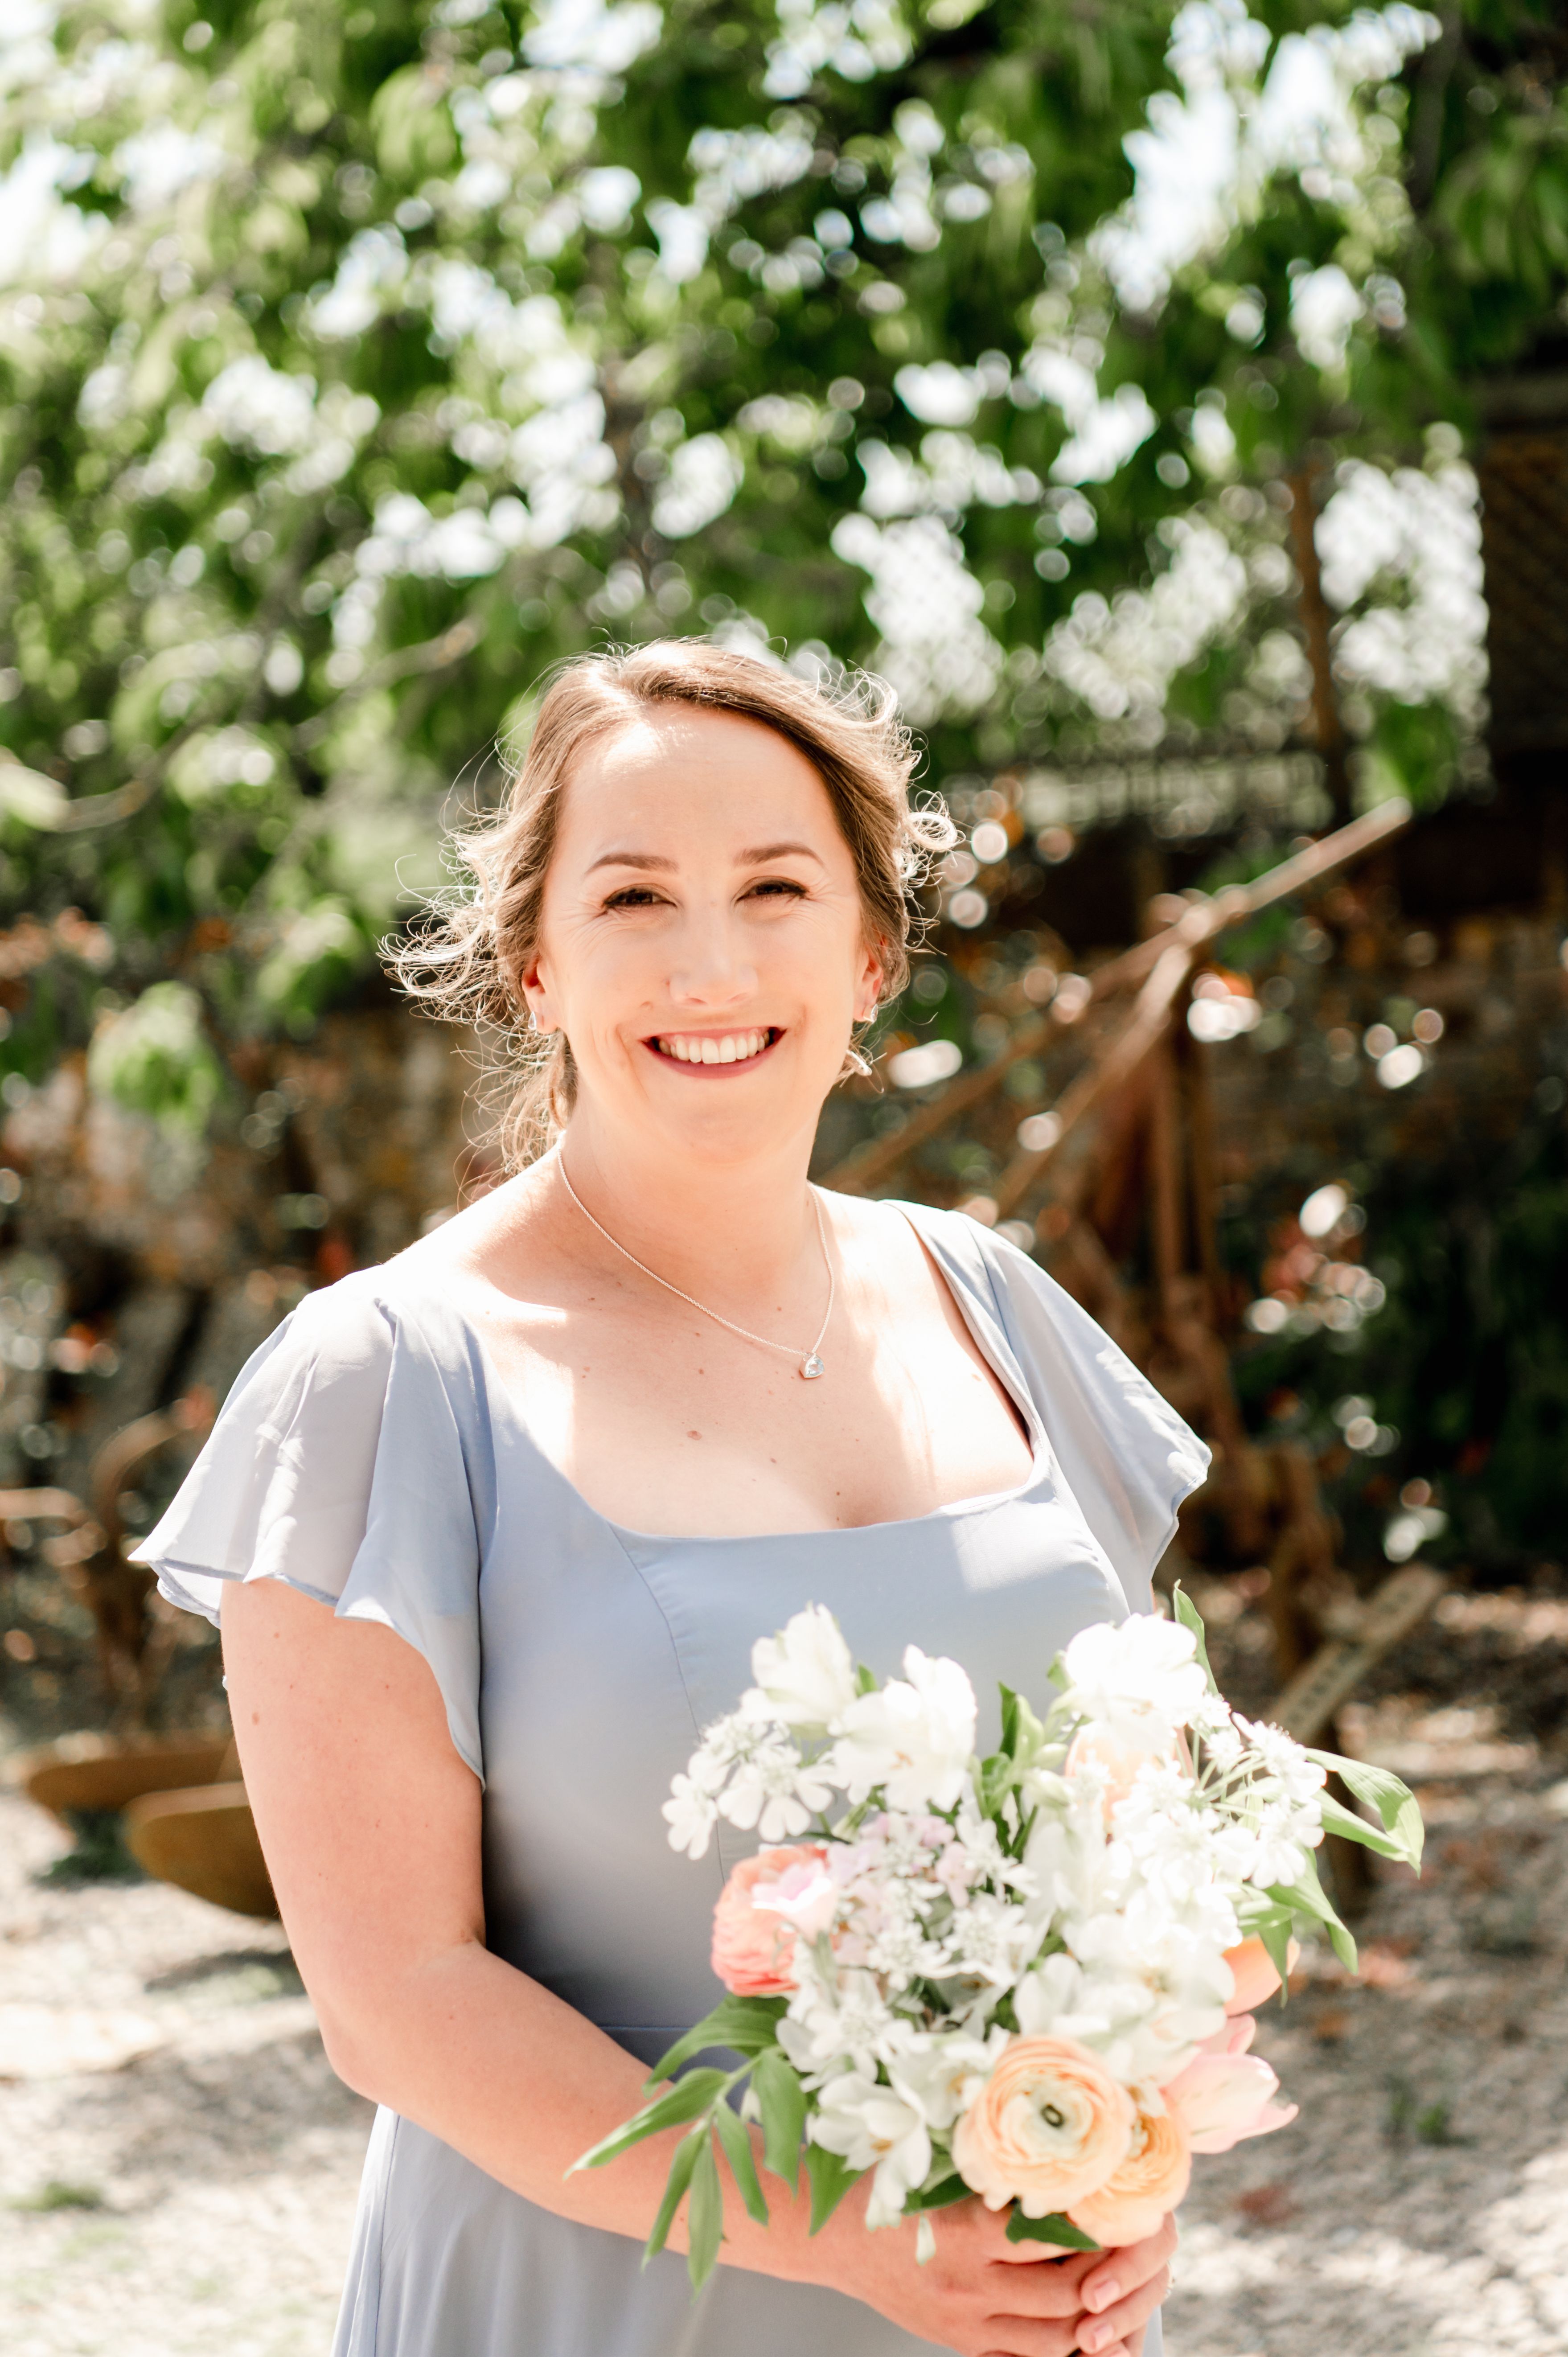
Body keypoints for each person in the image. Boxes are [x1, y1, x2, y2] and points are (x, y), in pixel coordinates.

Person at [137, 643, 1205, 2357]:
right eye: (633, 897)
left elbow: (1150, 1841)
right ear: (535, 966)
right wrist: (849, 2240)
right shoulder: (384, 1382)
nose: (712, 964)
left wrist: (1124, 2166)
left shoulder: (997, 1307)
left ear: (870, 954)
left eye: (776, 888)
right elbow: (396, 2000)